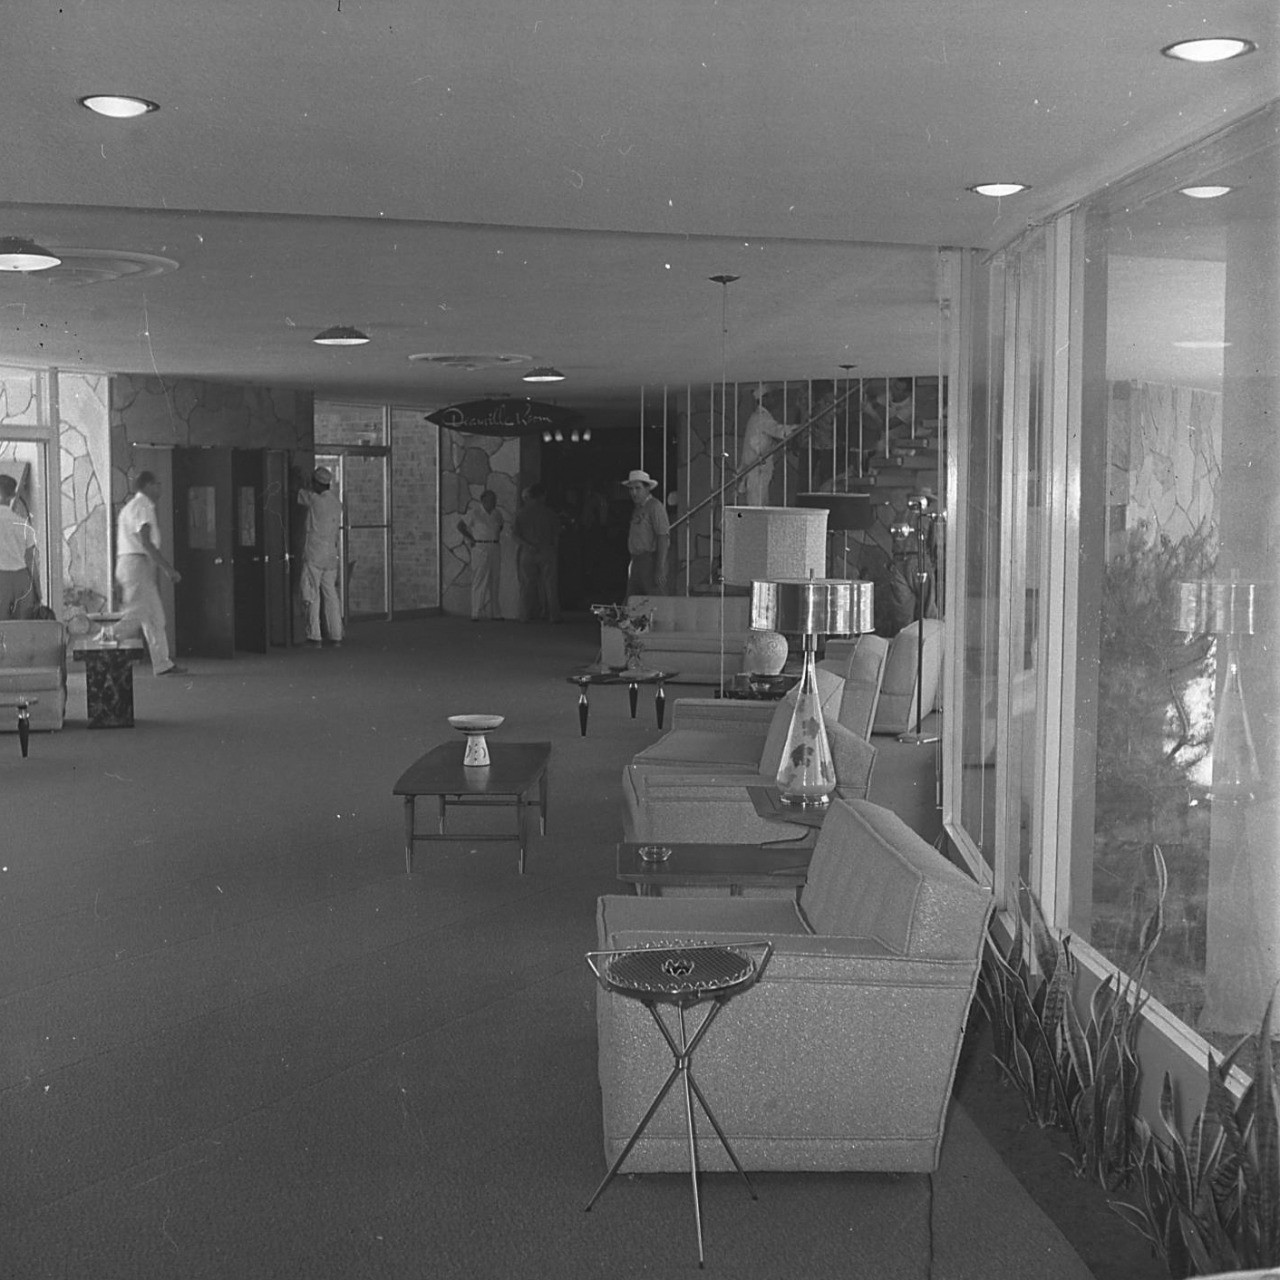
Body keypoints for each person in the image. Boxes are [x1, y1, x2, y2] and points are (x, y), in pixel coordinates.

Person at [115, 471, 186, 676]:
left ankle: (162, 663)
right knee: (135, 615)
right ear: (147, 486)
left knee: (154, 616)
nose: (160, 487)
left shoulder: (136, 506)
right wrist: (168, 568)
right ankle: (104, 639)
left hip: (138, 564)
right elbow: (145, 541)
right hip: (136, 563)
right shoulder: (142, 506)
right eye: (157, 483)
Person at [296, 465, 344, 647]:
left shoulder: (315, 500)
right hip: (331, 555)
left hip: (314, 554)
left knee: (312, 594)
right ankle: (336, 635)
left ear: (317, 483)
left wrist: (299, 481)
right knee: (331, 596)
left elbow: (299, 494)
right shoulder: (336, 503)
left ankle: (314, 636)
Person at [737, 384, 796, 506]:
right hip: (757, 469)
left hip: (758, 468)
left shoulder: (758, 417)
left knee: (759, 502)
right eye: (771, 397)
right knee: (758, 504)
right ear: (764, 399)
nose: (775, 400)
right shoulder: (761, 418)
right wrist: (799, 427)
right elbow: (779, 431)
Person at [512, 483, 561, 623]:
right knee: (549, 584)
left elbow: (515, 535)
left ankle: (525, 615)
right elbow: (556, 535)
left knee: (527, 584)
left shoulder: (520, 513)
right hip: (547, 550)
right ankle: (553, 615)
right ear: (542, 496)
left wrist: (527, 545)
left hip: (528, 551)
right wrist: (554, 550)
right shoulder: (550, 513)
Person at [456, 489, 504, 620]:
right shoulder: (475, 512)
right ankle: (475, 613)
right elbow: (460, 526)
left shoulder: (497, 514)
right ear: (484, 500)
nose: (494, 502)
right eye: (491, 500)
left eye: (495, 500)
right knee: (479, 578)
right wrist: (470, 538)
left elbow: (500, 527)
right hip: (480, 546)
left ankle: (496, 613)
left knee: (495, 579)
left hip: (494, 546)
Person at [623, 469, 669, 596]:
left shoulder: (655, 506)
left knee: (654, 599)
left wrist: (659, 567)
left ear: (647, 488)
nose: (634, 493)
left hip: (650, 558)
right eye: (631, 489)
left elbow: (663, 536)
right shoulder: (638, 509)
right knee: (634, 600)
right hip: (636, 559)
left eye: (638, 488)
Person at [0, 473, 39, 619]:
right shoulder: (23, 523)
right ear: (12, 496)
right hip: (22, 579)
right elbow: (31, 560)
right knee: (23, 628)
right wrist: (37, 589)